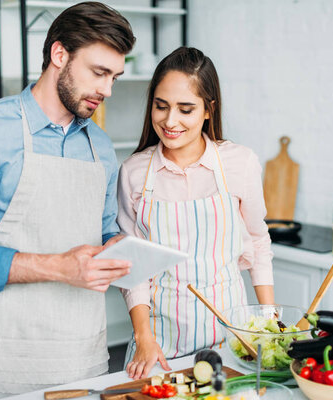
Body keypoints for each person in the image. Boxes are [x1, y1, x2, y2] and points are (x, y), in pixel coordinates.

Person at [0, 3, 136, 398]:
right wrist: (58, 267)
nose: (107, 90)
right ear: (59, 55)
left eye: (115, 77)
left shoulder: (101, 146)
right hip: (8, 343)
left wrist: (116, 245)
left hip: (83, 344)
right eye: (99, 73)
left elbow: (105, 227)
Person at [117, 47, 275, 379]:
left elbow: (259, 244)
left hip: (231, 341)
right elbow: (132, 269)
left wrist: (269, 320)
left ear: (208, 110)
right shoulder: (134, 171)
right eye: (161, 106)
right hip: (159, 344)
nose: (170, 121)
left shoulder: (240, 163)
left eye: (185, 109)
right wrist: (144, 339)